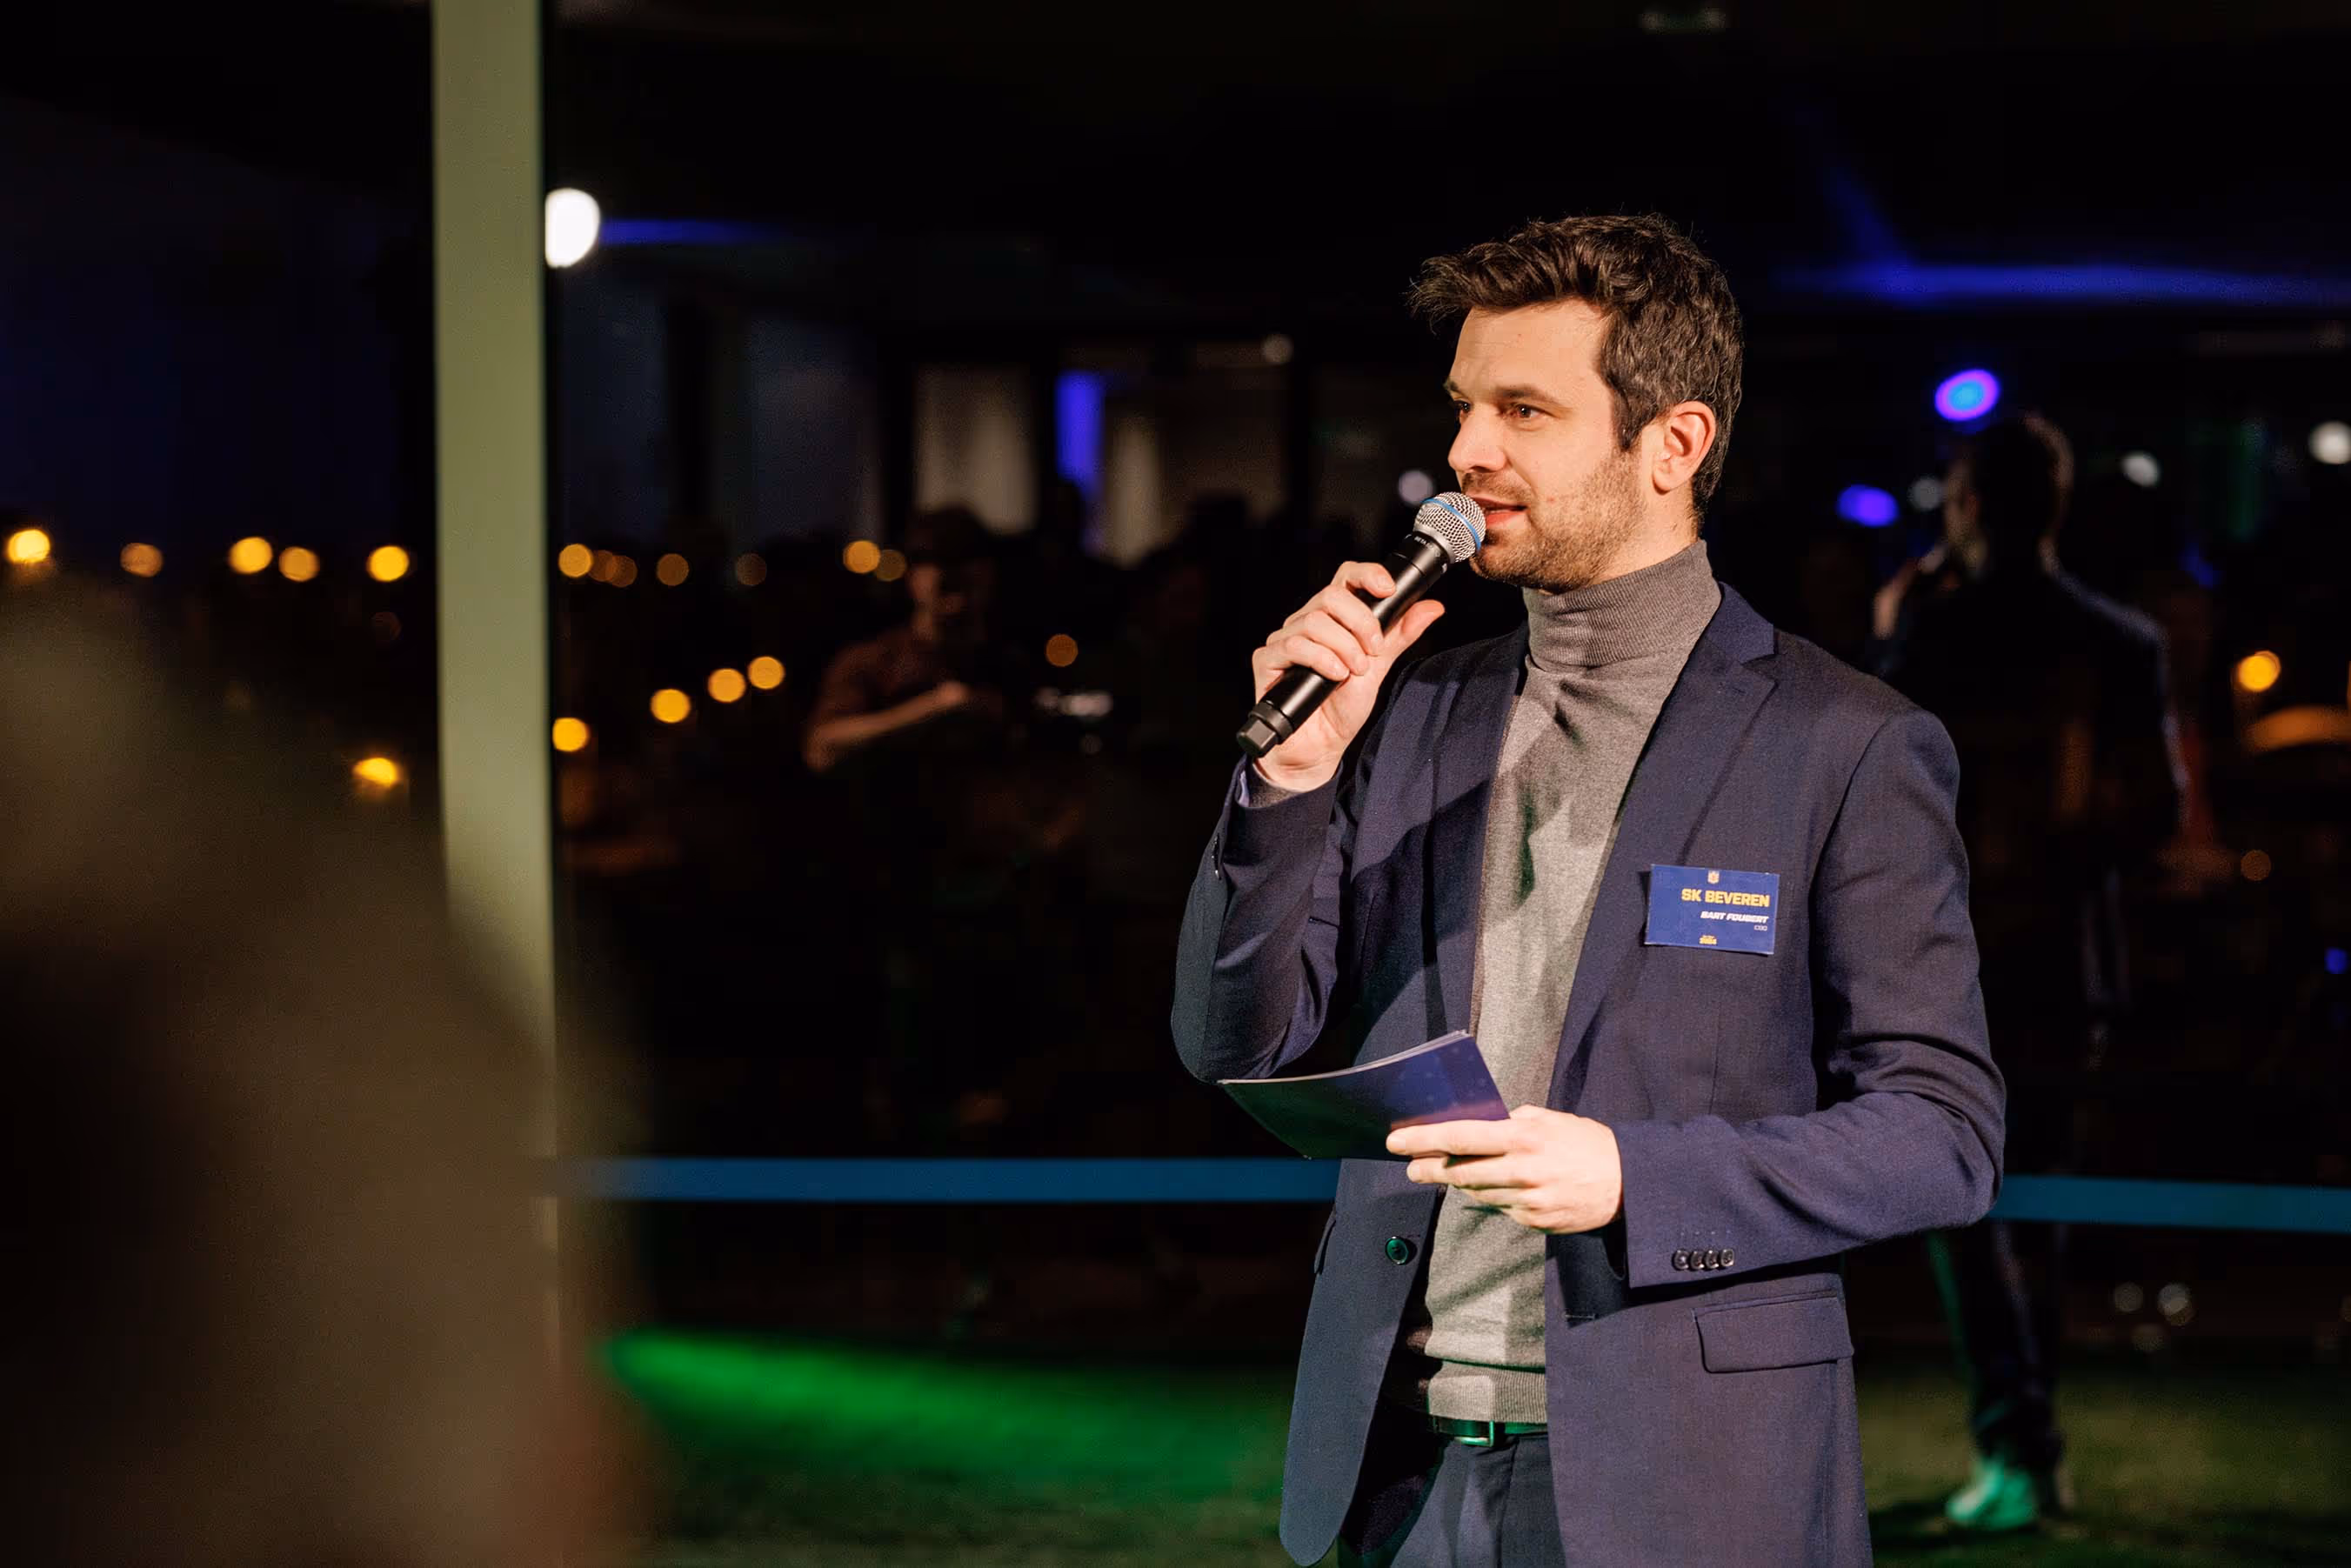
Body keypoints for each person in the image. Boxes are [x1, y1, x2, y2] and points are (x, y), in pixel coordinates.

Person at [1172, 214, 2006, 1568]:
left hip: (1689, 1480)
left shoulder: (1840, 740)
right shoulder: (1405, 706)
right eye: (1461, 406)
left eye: (1521, 410)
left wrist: (1634, 1171)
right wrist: (1289, 781)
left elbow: (1941, 1134)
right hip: (1397, 1464)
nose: (1464, 452)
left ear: (1668, 445)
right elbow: (1233, 1041)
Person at [1878, 415, 2186, 1533]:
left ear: (1966, 502)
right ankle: (2028, 1448)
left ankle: (2019, 1447)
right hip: (2060, 963)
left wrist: (1897, 636)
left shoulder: (1939, 636)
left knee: (1969, 1212)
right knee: (2032, 1216)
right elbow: (2156, 808)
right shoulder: (2120, 639)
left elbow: (1877, 786)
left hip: (1960, 959)